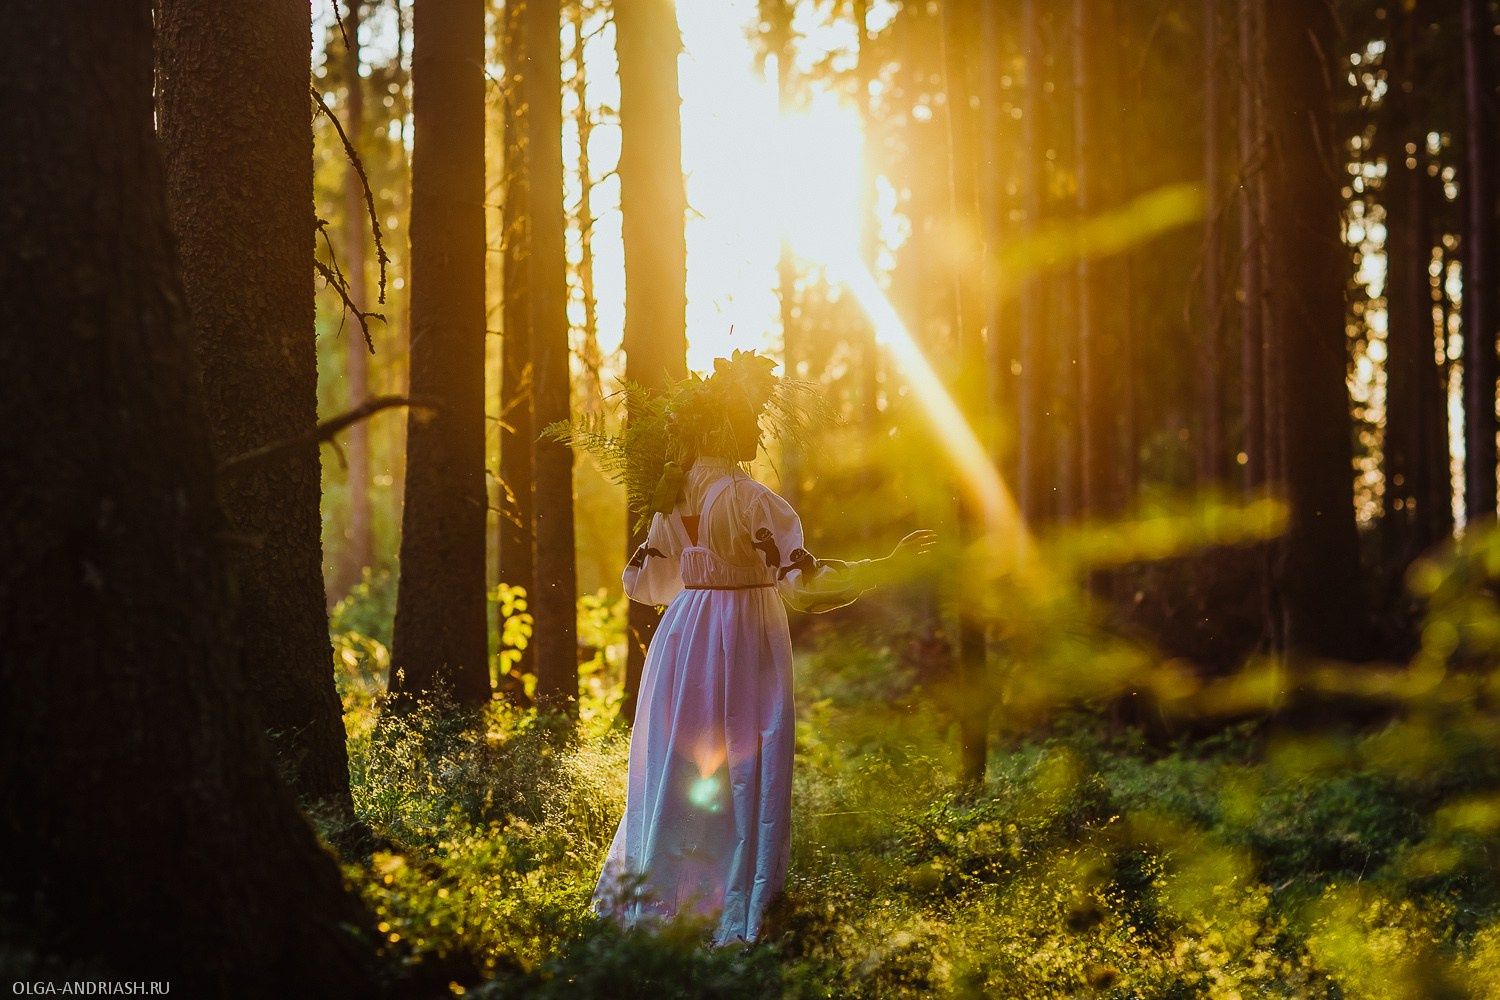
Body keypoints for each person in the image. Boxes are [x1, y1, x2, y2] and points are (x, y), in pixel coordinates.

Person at [588, 351, 935, 945]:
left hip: (683, 640)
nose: (754, 430)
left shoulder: (672, 499)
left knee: (679, 769)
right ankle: (730, 914)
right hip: (741, 636)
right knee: (741, 769)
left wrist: (697, 570)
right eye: (747, 418)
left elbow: (645, 586)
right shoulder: (751, 501)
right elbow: (800, 581)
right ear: (720, 427)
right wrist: (883, 565)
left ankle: (664, 908)